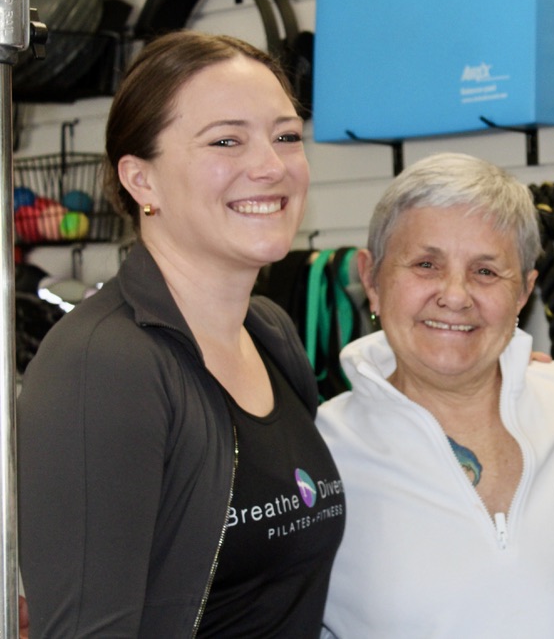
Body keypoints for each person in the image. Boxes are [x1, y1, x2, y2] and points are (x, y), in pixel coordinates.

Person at [18, 31, 345, 637]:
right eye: (226, 140)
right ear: (141, 180)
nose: (271, 166)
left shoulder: (268, 331)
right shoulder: (104, 365)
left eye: (286, 136)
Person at [316, 152, 554, 637]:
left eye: (486, 272)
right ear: (372, 279)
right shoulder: (320, 450)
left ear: (523, 292)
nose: (456, 295)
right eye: (426, 264)